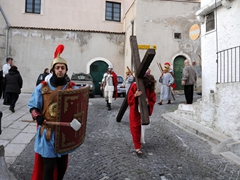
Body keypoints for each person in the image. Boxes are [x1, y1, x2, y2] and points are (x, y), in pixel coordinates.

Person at [28, 44, 79, 180]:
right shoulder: (42, 88)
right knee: (48, 168)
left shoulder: (71, 88)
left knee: (62, 168)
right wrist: (37, 116)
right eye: (57, 68)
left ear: (66, 70)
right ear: (53, 70)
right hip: (48, 133)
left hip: (63, 134)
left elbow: (79, 107)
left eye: (63, 68)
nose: (60, 70)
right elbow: (33, 106)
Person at [127, 74, 156, 154]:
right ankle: (137, 146)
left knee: (142, 128)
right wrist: (135, 95)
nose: (149, 84)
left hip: (143, 111)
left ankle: (139, 142)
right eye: (148, 82)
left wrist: (148, 102)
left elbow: (152, 100)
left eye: (151, 83)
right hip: (135, 110)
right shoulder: (134, 85)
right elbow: (129, 100)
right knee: (135, 127)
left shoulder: (150, 89)